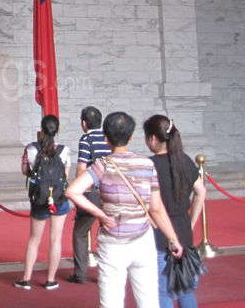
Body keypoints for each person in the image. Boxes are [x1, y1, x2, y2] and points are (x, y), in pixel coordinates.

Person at [66, 111, 184, 308]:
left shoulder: (102, 165)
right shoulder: (147, 164)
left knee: (111, 303)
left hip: (113, 243)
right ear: (131, 137)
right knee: (149, 303)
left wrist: (100, 214)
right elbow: (156, 209)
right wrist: (173, 239)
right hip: (143, 241)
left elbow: (72, 191)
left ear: (106, 138)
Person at [144, 115, 206, 308]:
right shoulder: (185, 161)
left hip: (160, 236)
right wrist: (191, 221)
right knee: (186, 291)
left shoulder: (150, 165)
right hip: (184, 233)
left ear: (153, 138)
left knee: (163, 293)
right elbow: (201, 191)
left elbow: (152, 207)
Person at [15, 114, 70, 290]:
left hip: (39, 198)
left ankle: (26, 278)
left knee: (34, 239)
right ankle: (50, 280)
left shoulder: (31, 149)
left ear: (42, 129)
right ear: (57, 130)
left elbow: (25, 171)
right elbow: (66, 176)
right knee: (56, 240)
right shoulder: (64, 150)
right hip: (59, 199)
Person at [67, 106, 111, 284]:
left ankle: (81, 274)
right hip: (109, 192)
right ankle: (106, 274)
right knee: (106, 232)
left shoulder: (86, 140)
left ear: (84, 123)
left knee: (80, 232)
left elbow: (81, 167)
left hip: (92, 192)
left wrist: (80, 190)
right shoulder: (107, 138)